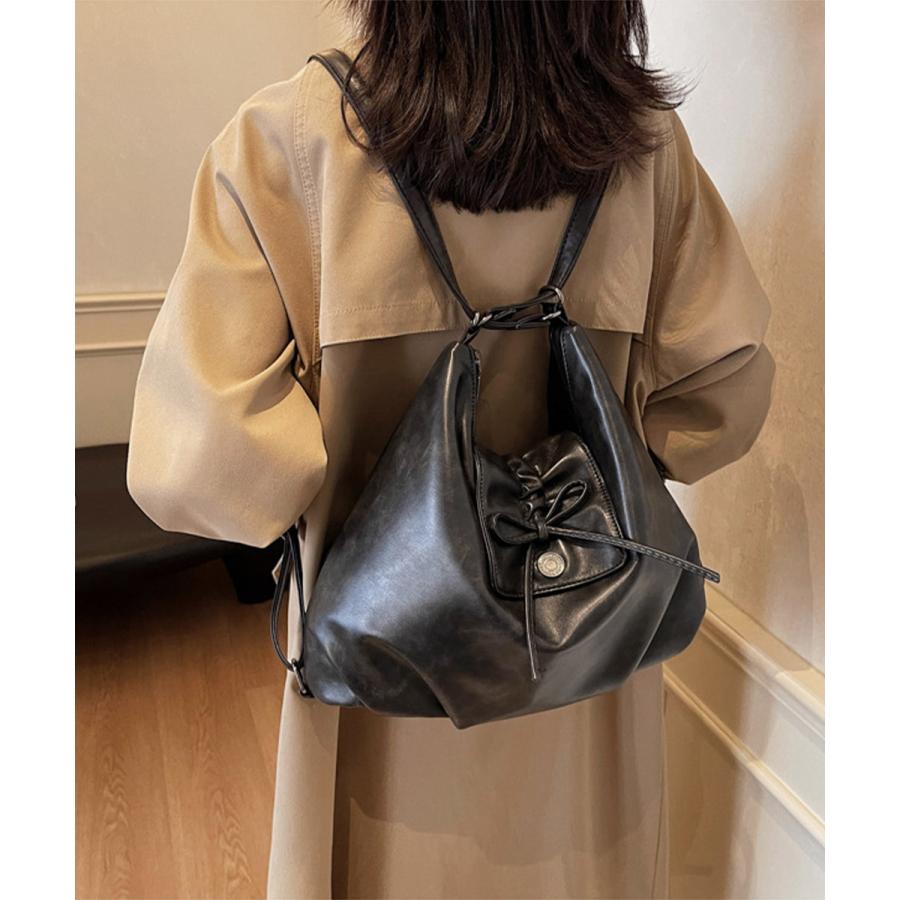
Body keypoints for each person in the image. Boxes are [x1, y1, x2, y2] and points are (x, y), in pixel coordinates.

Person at [127, 2, 774, 897]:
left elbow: (195, 461)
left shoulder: (287, 141)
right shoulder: (648, 148)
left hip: (383, 668)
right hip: (585, 650)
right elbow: (721, 397)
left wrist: (328, 483)